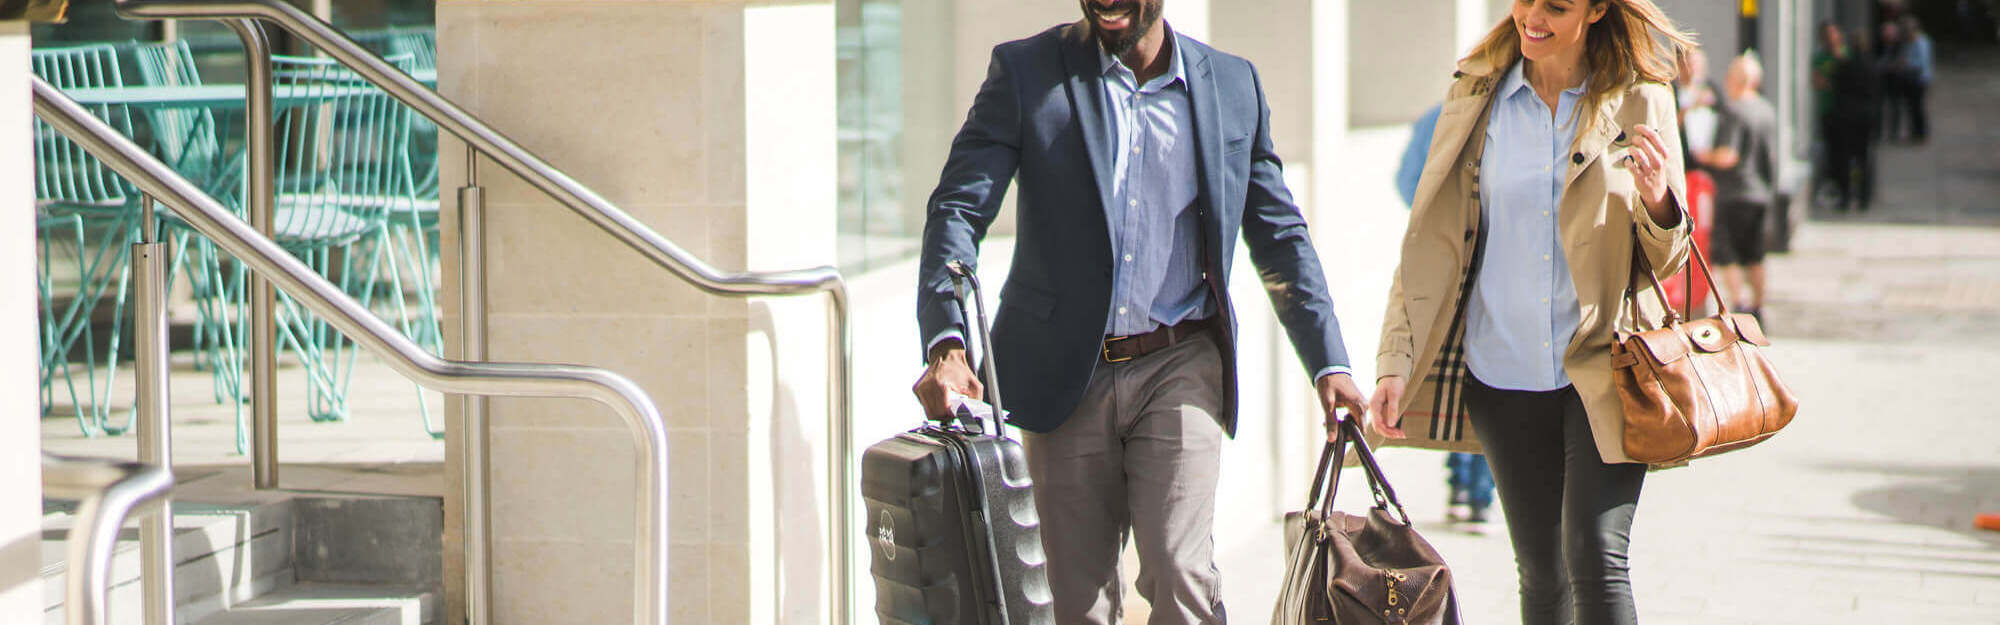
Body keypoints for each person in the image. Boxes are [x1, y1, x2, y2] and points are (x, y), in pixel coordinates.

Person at [910, 1, 1368, 622]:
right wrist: (947, 340)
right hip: (1064, 373)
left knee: (1180, 572)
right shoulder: (1028, 72)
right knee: (1075, 600)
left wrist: (1328, 362)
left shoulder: (1231, 86)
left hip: (1179, 361)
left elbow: (1280, 236)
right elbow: (959, 210)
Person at [1366, 0, 1694, 623]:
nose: (1533, 17)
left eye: (1556, 7)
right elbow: (1428, 243)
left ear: (1597, 11)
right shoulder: (1476, 95)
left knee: (1596, 558)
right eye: (1525, 1)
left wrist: (1658, 201)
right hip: (1503, 371)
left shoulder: (1640, 99)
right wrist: (1393, 361)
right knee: (1543, 575)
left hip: (1605, 368)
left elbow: (1669, 258)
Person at [1397, 103, 1498, 534]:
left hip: (1448, 259)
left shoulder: (1435, 116)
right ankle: (1476, 491)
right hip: (1490, 259)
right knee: (1487, 370)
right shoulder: (1498, 114)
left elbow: (1406, 182)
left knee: (1459, 371)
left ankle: (1464, 486)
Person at [1696, 52, 1778, 320]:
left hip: (1733, 192)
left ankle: (1739, 304)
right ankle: (1759, 306)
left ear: (1736, 79)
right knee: (1755, 253)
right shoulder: (1766, 109)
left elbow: (1727, 156)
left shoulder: (1733, 110)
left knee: (1726, 252)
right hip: (1760, 192)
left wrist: (1703, 155)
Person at [1829, 27, 1883, 213]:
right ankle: (1864, 199)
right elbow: (1878, 96)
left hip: (1846, 116)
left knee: (1845, 158)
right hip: (1866, 117)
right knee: (1864, 158)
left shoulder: (1844, 65)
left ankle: (1845, 198)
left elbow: (1836, 91)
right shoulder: (1872, 66)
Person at [1900, 16, 1934, 143]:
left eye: (1908, 31)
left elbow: (1922, 63)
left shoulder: (1921, 42)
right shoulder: (1909, 42)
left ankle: (1921, 133)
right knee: (1911, 107)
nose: (1907, 34)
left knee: (1917, 107)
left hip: (1919, 79)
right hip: (1910, 78)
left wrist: (1907, 63)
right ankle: (1914, 132)